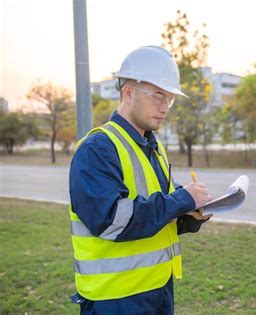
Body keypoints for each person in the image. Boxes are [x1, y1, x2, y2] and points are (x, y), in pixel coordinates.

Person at [69, 45, 213, 314]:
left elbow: (158, 211)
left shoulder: (152, 147)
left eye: (169, 98)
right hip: (116, 300)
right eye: (158, 95)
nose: (165, 107)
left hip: (156, 291)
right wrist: (181, 199)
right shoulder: (98, 148)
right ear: (128, 92)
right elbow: (111, 220)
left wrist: (188, 215)